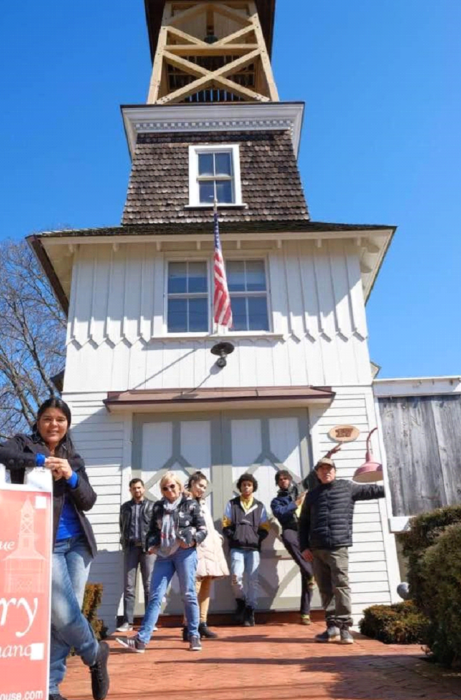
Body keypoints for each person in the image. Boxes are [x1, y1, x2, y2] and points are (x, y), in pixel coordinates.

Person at [0, 397, 109, 700]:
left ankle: (50, 686)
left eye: (60, 420)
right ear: (38, 421)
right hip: (43, 542)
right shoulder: (24, 444)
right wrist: (39, 462)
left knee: (62, 618)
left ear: (67, 425)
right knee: (62, 613)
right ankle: (94, 653)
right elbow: (2, 454)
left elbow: (88, 500)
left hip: (78, 544)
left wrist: (71, 476)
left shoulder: (73, 458)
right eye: (48, 418)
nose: (54, 425)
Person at [116, 471, 207, 653]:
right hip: (164, 555)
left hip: (184, 553)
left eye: (172, 486)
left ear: (180, 487)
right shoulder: (158, 507)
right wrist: (151, 545)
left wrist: (191, 540)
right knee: (155, 596)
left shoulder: (189, 505)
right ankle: (141, 641)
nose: (169, 490)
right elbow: (151, 531)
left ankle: (194, 635)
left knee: (188, 593)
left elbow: (203, 529)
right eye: (165, 488)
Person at [299, 451, 385, 644]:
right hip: (316, 549)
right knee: (325, 589)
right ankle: (331, 627)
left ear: (335, 471)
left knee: (341, 586)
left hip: (338, 547)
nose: (325, 472)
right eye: (322, 469)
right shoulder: (311, 496)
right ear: (317, 474)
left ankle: (345, 628)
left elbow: (374, 491)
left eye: (329, 469)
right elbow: (303, 523)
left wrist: (394, 482)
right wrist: (304, 547)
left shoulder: (348, 488)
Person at [183, 471, 229, 640]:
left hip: (209, 549)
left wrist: (217, 536)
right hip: (194, 549)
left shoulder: (203, 503)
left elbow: (207, 524)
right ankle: (188, 625)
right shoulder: (185, 501)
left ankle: (202, 623)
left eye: (204, 487)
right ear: (192, 483)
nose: (202, 489)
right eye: (200, 485)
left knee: (206, 586)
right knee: (192, 589)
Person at [222, 473, 270, 626]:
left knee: (253, 581)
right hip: (237, 548)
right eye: (243, 485)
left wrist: (256, 538)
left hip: (253, 549)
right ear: (240, 487)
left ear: (253, 487)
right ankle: (241, 601)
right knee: (236, 578)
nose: (246, 487)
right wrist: (234, 536)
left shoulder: (259, 506)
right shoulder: (232, 504)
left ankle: (250, 610)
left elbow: (265, 527)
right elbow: (225, 524)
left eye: (249, 485)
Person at [271, 470, 315, 624]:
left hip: (307, 531)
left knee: (307, 572)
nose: (283, 481)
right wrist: (294, 504)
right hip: (291, 529)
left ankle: (305, 613)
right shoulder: (276, 501)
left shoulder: (299, 489)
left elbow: (313, 474)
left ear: (290, 480)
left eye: (285, 478)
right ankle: (310, 573)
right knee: (287, 537)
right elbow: (280, 513)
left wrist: (329, 454)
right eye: (280, 479)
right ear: (277, 483)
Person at [117, 478, 155, 632]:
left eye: (139, 488)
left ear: (143, 489)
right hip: (131, 548)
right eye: (134, 488)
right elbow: (122, 526)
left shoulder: (152, 506)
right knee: (129, 586)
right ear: (130, 490)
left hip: (148, 549)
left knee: (149, 586)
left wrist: (154, 544)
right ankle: (128, 622)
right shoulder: (125, 508)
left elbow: (156, 527)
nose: (137, 491)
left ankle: (149, 622)